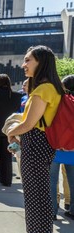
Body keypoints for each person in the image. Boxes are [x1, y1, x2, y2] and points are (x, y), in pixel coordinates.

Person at [7, 45, 63, 233]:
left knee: (37, 192)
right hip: (39, 143)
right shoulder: (46, 87)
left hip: (37, 142)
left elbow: (29, 123)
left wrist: (10, 132)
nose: (24, 64)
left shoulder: (44, 89)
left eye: (28, 60)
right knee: (33, 191)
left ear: (41, 62)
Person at [49, 74, 74, 220]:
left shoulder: (59, 101)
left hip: (56, 145)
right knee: (73, 179)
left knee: (51, 180)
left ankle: (51, 211)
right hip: (73, 147)